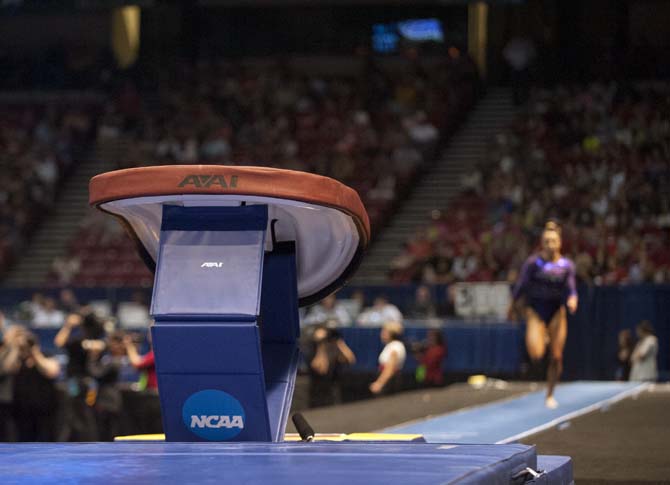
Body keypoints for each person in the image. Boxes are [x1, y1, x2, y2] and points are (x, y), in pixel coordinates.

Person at [509, 221, 577, 409]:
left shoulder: (566, 265)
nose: (550, 245)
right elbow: (520, 286)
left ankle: (550, 394)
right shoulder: (533, 263)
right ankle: (542, 336)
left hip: (556, 311)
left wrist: (573, 300)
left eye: (554, 241)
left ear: (560, 242)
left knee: (556, 357)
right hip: (536, 311)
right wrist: (512, 306)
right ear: (542, 243)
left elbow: (572, 289)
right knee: (538, 354)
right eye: (547, 241)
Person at [4, 327, 60, 441]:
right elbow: (7, 368)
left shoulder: (45, 355)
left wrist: (35, 353)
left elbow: (52, 372)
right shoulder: (17, 360)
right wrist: (15, 349)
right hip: (20, 410)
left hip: (45, 410)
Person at [302, 325, 356, 408]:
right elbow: (322, 369)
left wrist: (339, 342)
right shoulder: (311, 349)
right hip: (317, 392)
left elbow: (350, 359)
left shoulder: (333, 347)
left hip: (332, 390)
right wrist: (320, 345)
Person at [370, 321, 406, 395]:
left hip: (390, 382)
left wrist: (379, 383)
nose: (381, 334)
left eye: (384, 332)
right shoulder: (391, 345)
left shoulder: (395, 346)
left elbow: (390, 367)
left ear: (391, 334)